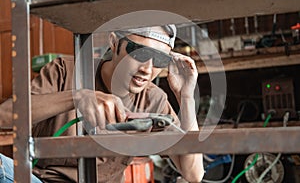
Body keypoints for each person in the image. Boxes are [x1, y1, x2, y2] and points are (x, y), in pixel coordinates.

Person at [0, 24, 204, 182]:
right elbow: (4, 116)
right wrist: (77, 97)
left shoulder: (154, 100)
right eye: (139, 53)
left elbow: (194, 174)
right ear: (114, 43)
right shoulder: (65, 71)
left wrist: (185, 97)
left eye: (159, 60)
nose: (147, 69)